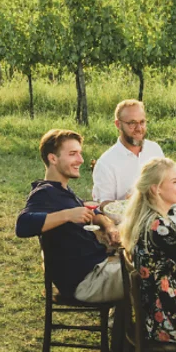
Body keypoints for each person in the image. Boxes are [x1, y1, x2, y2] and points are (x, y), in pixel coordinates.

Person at [15, 129, 122, 303]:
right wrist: (67, 215)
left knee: (150, 263)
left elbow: (93, 213)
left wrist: (108, 226)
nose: (80, 160)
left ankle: (125, 328)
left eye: (80, 154)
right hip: (88, 282)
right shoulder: (45, 193)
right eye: (73, 154)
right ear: (53, 159)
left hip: (99, 269)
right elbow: (23, 225)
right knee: (152, 274)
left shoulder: (63, 192)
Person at [121, 157, 176, 345]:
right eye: (175, 182)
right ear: (156, 189)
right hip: (166, 318)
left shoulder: (154, 217)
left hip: (157, 308)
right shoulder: (159, 226)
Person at [92, 99, 164, 202]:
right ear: (118, 124)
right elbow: (104, 204)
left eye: (142, 122)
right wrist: (128, 203)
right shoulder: (106, 163)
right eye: (132, 123)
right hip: (127, 217)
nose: (139, 128)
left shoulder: (154, 149)